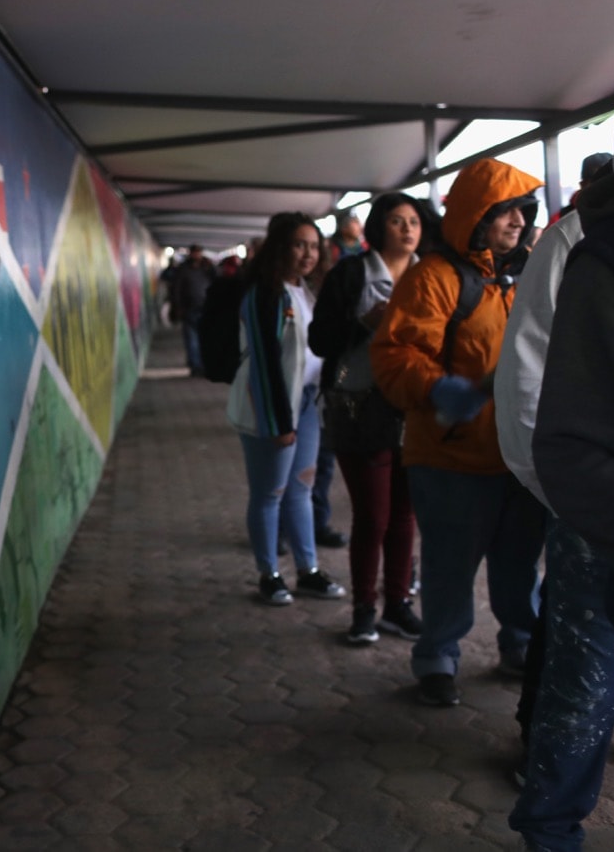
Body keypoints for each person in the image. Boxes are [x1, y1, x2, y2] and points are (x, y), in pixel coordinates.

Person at [499, 71, 614, 851]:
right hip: (596, 518)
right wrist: (565, 499)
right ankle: (551, 825)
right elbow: (526, 377)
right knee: (583, 691)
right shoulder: (576, 238)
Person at [370, 157, 546, 707]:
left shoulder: (524, 277)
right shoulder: (435, 278)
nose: (517, 220)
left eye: (523, 209)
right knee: (449, 566)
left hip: (517, 456)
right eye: (505, 210)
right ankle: (438, 658)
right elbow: (394, 354)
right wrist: (440, 387)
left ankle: (521, 646)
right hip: (450, 458)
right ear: (476, 215)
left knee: (519, 566)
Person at [310, 193, 436, 644]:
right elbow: (320, 339)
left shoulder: (431, 275)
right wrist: (364, 322)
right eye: (398, 221)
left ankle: (397, 605)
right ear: (379, 226)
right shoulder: (351, 273)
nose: (407, 229)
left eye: (414, 222)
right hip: (358, 405)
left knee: (405, 516)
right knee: (372, 515)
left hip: (416, 405)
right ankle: (364, 608)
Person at [228, 212, 346, 606]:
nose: (308, 254)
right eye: (299, 245)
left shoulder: (306, 291)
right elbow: (264, 363)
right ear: (280, 247)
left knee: (301, 490)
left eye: (314, 246)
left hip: (307, 404)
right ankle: (270, 574)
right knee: (269, 493)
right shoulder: (265, 294)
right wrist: (279, 421)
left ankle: (308, 571)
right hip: (271, 408)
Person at [169, 244, 216, 375]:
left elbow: (216, 280)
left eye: (198, 252)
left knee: (204, 338)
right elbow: (176, 289)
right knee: (191, 338)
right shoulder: (183, 269)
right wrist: (177, 307)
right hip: (188, 308)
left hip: (205, 307)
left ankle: (203, 364)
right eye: (194, 253)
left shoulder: (206, 268)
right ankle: (195, 366)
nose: (196, 255)